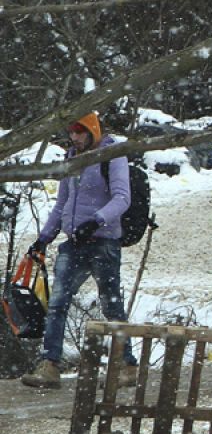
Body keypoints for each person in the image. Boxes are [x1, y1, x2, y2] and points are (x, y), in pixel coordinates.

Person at [21, 113, 136, 389]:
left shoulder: (112, 155)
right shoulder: (72, 157)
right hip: (73, 243)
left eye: (80, 131)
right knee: (58, 302)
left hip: (104, 242)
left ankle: (127, 364)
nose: (74, 137)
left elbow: (123, 198)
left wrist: (97, 220)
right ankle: (50, 365)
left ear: (93, 130)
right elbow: (62, 202)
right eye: (71, 131)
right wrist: (44, 238)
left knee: (111, 304)